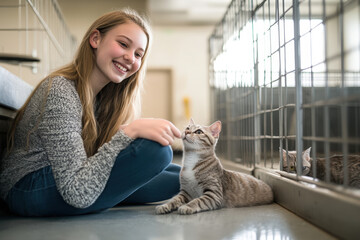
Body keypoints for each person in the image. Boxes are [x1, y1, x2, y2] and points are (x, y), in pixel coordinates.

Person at [0, 8, 181, 217]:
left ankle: (222, 182)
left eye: (138, 54)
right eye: (123, 44)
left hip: (68, 183)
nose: (130, 58)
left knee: (175, 170)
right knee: (157, 153)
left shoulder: (102, 100)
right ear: (95, 39)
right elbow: (76, 191)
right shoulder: (60, 89)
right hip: (27, 188)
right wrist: (128, 133)